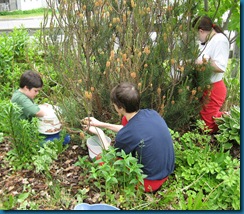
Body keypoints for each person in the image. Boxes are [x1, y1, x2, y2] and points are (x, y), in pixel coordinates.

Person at [84, 82, 175, 193]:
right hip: (166, 171)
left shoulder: (127, 134)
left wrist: (100, 133)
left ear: (120, 107)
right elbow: (129, 130)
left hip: (149, 183)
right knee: (125, 121)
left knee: (100, 160)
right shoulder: (151, 113)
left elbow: (110, 154)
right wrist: (100, 124)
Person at [11, 70, 70, 145]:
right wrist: (45, 110)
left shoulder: (19, 94)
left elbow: (28, 107)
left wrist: (41, 106)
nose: (37, 93)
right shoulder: (21, 99)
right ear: (26, 87)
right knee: (65, 138)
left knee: (60, 134)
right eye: (35, 91)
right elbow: (38, 112)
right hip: (25, 136)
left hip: (28, 131)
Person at [192, 15, 230, 133]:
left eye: (197, 34)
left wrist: (202, 63)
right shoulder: (211, 41)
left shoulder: (220, 40)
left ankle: (234, 121)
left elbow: (220, 66)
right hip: (207, 87)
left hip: (215, 88)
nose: (198, 38)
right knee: (204, 124)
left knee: (207, 126)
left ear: (201, 31)